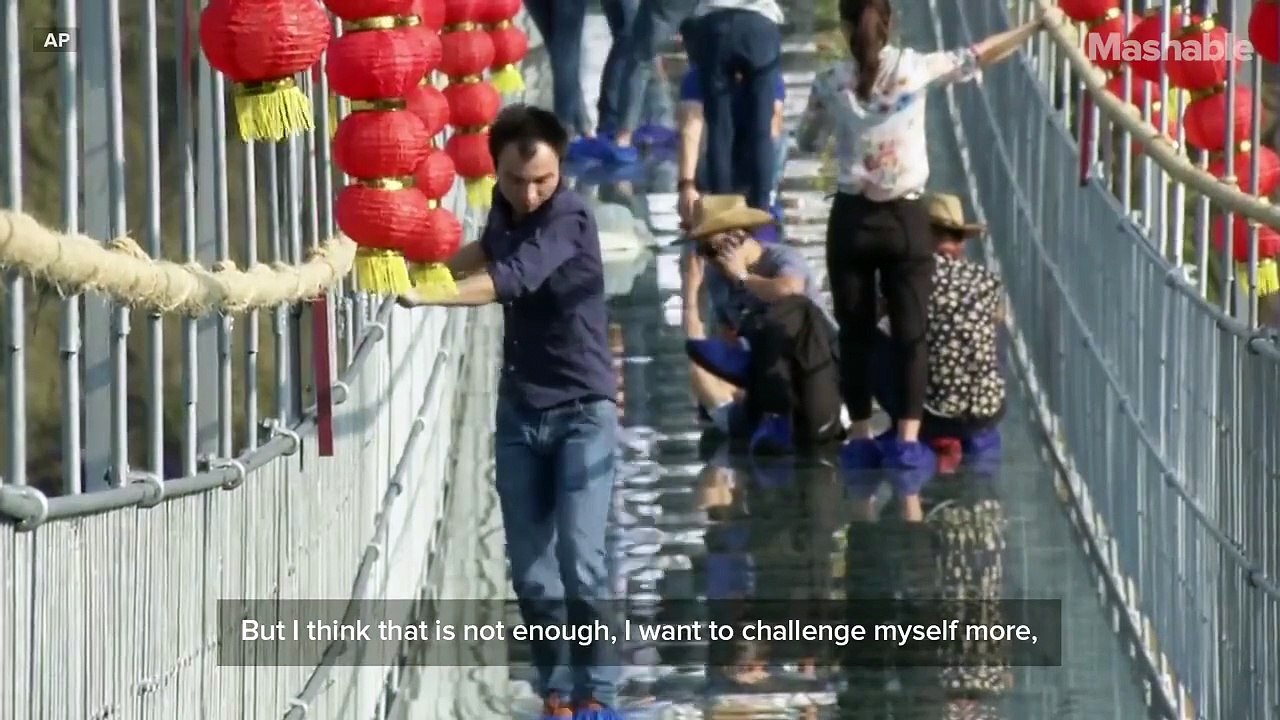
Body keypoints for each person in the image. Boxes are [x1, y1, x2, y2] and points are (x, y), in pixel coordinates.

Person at [396, 104, 621, 719]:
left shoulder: (570, 216)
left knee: (581, 560)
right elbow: (490, 249)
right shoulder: (505, 209)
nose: (528, 193)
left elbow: (513, 277)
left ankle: (598, 695)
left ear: (561, 170)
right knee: (530, 575)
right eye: (516, 180)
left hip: (583, 412)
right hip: (520, 413)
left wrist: (430, 294)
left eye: (542, 180)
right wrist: (425, 266)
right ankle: (555, 690)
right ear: (494, 171)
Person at [799, 0, 1052, 472]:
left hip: (852, 220)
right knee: (912, 332)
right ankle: (909, 443)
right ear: (889, 22)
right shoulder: (915, 68)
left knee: (853, 333)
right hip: (906, 219)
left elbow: (808, 143)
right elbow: (979, 54)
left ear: (845, 25)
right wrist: (1036, 25)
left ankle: (859, 435)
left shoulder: (830, 80)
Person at [681, 195, 844, 454]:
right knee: (701, 371)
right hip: (764, 376)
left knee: (786, 309)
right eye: (702, 253)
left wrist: (744, 277)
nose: (709, 261)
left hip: (814, 363)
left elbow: (789, 290)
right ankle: (757, 413)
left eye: (712, 251)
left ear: (737, 238)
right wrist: (690, 291)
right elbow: (727, 338)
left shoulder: (781, 257)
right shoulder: (716, 279)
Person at [868, 193, 1005, 453]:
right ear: (960, 242)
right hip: (987, 413)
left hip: (932, 416)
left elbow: (874, 317)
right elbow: (996, 319)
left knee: (870, 339)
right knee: (989, 338)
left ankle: (904, 428)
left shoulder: (909, 276)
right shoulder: (986, 279)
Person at [681, 0, 785, 212]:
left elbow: (691, 121)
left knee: (719, 128)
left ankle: (723, 213)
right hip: (760, 21)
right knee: (762, 129)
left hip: (714, 22)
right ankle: (761, 208)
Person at [675, 62, 788, 229]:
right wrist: (687, 185)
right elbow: (689, 130)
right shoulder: (698, 76)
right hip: (712, 160)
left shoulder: (768, 76)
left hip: (751, 155)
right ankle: (709, 196)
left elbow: (773, 126)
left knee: (774, 132)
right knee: (697, 126)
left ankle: (763, 197)